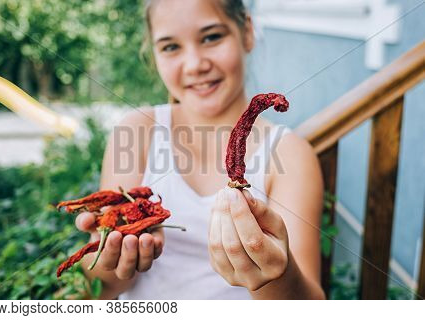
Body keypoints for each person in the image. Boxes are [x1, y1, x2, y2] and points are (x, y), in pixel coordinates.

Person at [76, 0, 325, 299]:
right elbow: (103, 291)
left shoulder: (290, 154)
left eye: (211, 37)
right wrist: (106, 257)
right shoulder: (136, 131)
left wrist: (276, 274)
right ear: (153, 54)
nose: (195, 64)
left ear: (246, 32)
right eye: (170, 47)